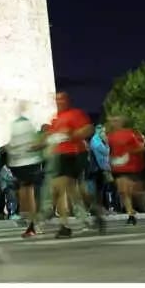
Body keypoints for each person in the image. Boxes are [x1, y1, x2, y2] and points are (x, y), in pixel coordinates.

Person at [47, 92, 99, 239]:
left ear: (68, 101)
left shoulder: (76, 114)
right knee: (65, 190)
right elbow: (50, 137)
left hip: (75, 154)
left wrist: (73, 134)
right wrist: (38, 144)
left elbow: (89, 129)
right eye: (57, 99)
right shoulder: (55, 120)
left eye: (62, 99)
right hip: (60, 157)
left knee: (71, 189)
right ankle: (71, 223)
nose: (59, 102)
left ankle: (89, 210)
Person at [6, 104, 44, 238]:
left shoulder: (20, 125)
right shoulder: (25, 125)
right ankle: (32, 224)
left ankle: (33, 224)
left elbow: (14, 145)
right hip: (27, 163)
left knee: (27, 193)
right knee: (27, 193)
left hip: (25, 164)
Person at [105, 116, 145, 226]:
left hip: (130, 166)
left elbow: (140, 147)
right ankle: (130, 214)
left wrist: (130, 151)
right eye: (112, 121)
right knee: (122, 191)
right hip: (117, 166)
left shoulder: (129, 134)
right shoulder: (109, 136)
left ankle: (134, 207)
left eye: (116, 121)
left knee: (129, 190)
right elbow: (109, 151)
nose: (114, 123)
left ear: (122, 122)